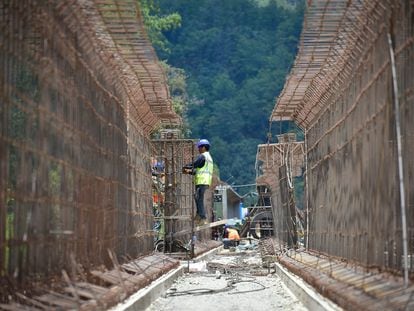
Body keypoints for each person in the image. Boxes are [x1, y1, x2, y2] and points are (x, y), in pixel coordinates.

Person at [182, 139, 214, 226]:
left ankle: (202, 217)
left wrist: (185, 166)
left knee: (198, 198)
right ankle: (199, 215)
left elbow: (195, 164)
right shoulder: (209, 158)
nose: (198, 149)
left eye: (199, 147)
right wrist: (188, 171)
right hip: (204, 181)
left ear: (203, 147)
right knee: (197, 197)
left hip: (202, 181)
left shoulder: (203, 156)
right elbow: (198, 171)